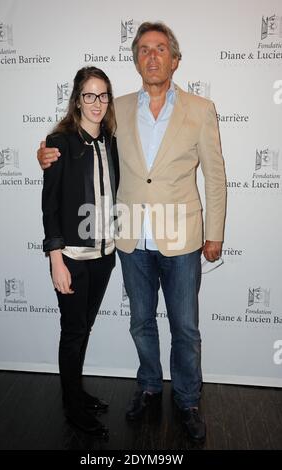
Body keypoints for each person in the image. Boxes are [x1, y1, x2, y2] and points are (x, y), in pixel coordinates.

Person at [38, 22, 226, 442]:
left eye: (161, 49)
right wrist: (45, 151)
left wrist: (214, 232)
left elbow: (215, 176)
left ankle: (188, 399)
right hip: (129, 240)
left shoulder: (201, 108)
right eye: (144, 49)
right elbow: (75, 136)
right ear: (136, 59)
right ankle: (147, 386)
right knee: (141, 323)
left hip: (181, 239)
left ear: (175, 60)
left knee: (186, 327)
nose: (152, 56)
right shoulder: (116, 108)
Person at [41, 66, 119, 438]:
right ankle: (72, 407)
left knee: (82, 329)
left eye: (103, 95)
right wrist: (56, 258)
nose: (97, 103)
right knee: (72, 333)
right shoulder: (60, 142)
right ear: (76, 100)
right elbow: (50, 206)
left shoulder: (111, 142)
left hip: (105, 257)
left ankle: (77, 392)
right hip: (71, 257)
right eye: (89, 95)